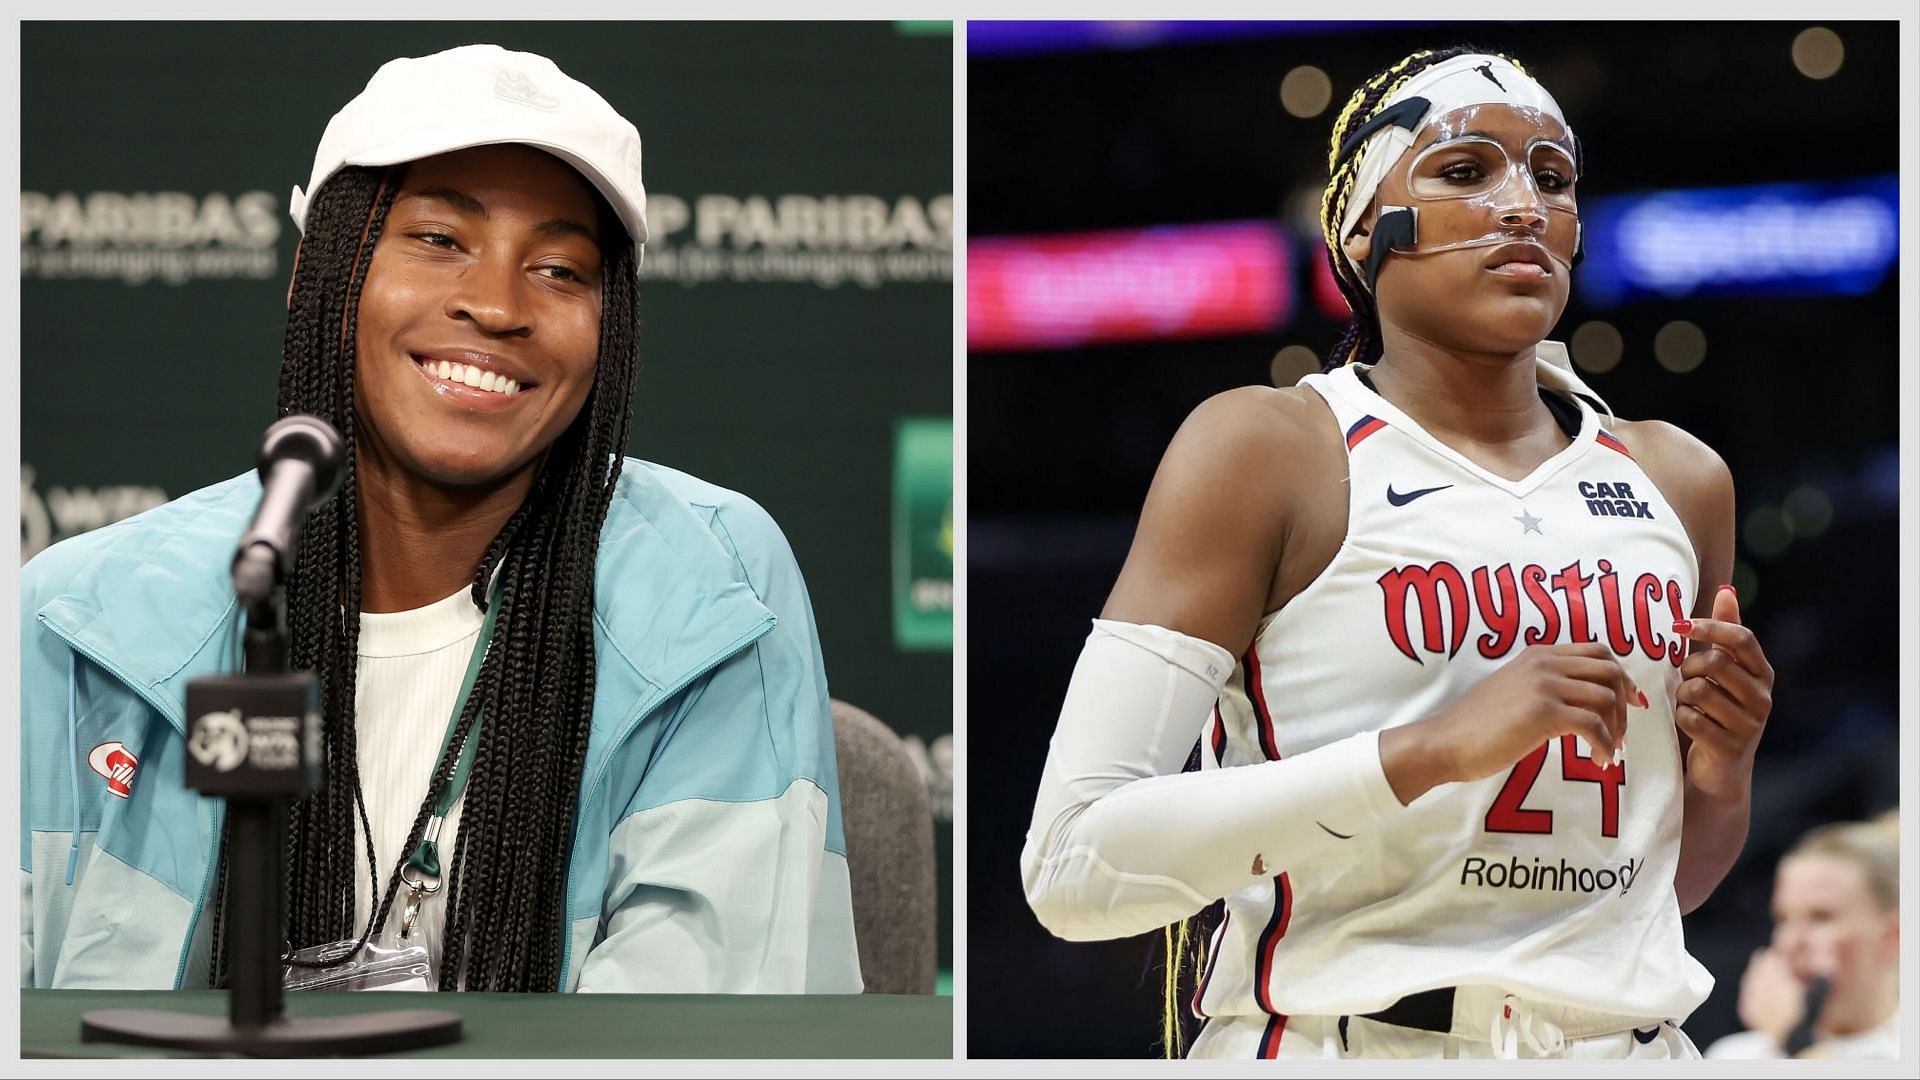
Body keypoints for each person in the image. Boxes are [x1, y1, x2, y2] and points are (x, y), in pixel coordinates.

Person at [20, 44, 862, 994]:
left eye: (559, 269)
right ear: (319, 275)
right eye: (437, 241)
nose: (497, 305)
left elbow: (699, 1044)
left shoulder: (712, 591)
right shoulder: (76, 619)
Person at [1020, 46, 1775, 1059]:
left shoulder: (1679, 480)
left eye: (1552, 178)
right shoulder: (1269, 449)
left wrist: (1724, 772)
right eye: (1466, 171)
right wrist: (1426, 753)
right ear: (1365, 226)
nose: (1523, 207)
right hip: (1352, 1042)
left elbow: (1648, 896)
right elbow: (1073, 868)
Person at [1706, 819, 1899, 1059]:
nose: (1790, 942)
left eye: (1821, 918)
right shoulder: (1735, 1056)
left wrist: (1795, 1040)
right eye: (1782, 919)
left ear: (1894, 935)